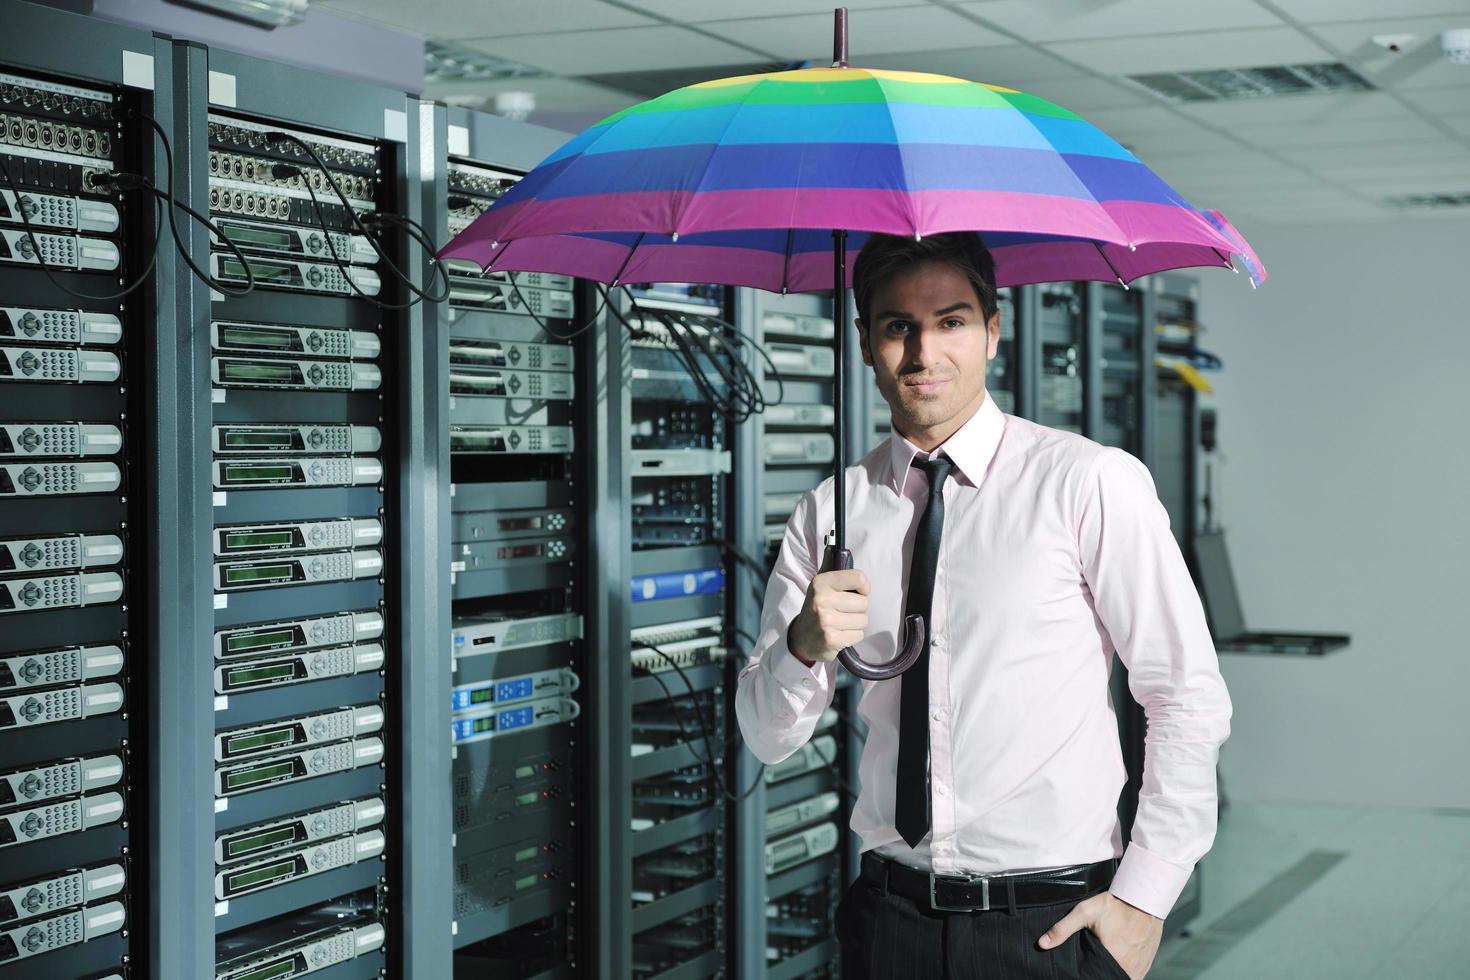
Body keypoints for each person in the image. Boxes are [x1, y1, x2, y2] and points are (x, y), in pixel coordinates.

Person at [735, 231, 1232, 979]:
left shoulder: (1087, 483)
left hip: (1049, 924)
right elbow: (768, 738)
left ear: (993, 332)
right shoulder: (831, 512)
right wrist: (801, 647)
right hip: (887, 918)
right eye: (898, 326)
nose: (924, 353)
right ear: (866, 341)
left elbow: (1185, 696)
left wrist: (1145, 900)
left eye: (952, 321)